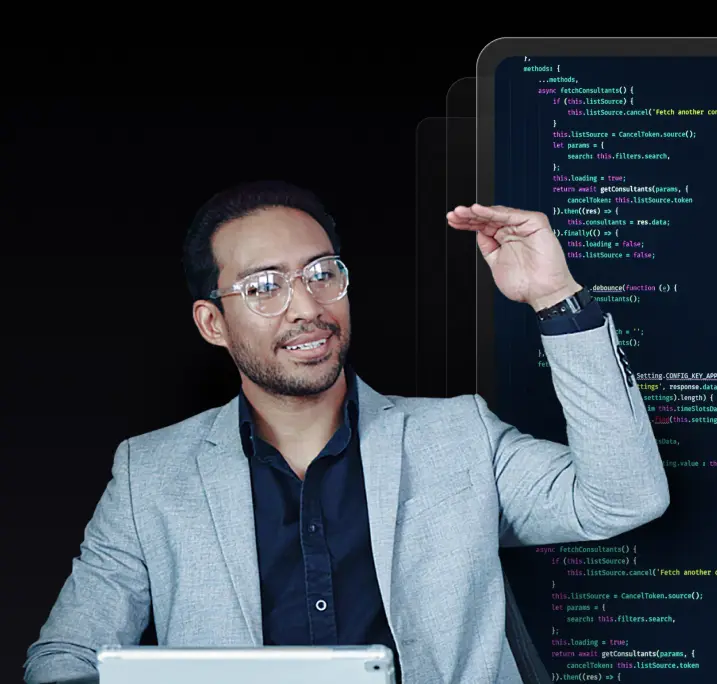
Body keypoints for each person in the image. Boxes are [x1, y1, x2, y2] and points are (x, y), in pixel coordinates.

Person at [24, 181, 669, 684]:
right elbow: (64, 655)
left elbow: (625, 497)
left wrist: (555, 297)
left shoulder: (459, 435)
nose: (306, 307)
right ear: (213, 323)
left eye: (321, 273)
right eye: (264, 287)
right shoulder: (150, 474)